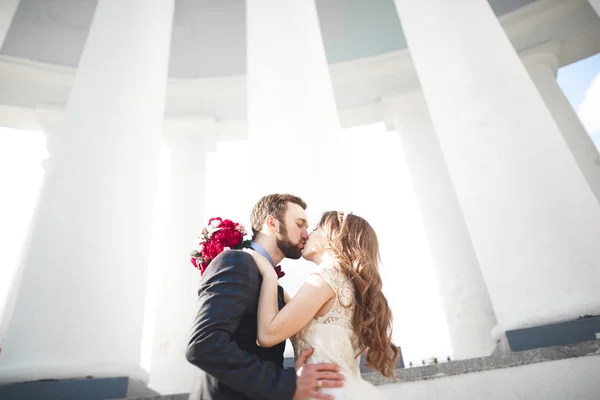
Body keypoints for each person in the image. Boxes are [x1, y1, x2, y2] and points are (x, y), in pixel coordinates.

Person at [186, 194, 345, 400]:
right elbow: (204, 344)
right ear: (272, 223)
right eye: (300, 224)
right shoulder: (236, 261)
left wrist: (293, 370)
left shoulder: (274, 287)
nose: (306, 234)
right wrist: (286, 382)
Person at [245, 211, 399, 399]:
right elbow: (301, 318)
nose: (307, 234)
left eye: (317, 228)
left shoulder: (326, 275)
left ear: (333, 235)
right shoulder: (348, 283)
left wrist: (269, 275)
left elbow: (267, 335)